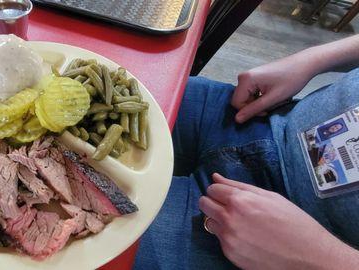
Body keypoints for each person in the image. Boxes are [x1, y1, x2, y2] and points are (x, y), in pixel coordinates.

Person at [134, 35, 359, 269]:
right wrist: (312, 60)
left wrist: (325, 257)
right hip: (265, 118)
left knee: (102, 239)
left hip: (284, 237)